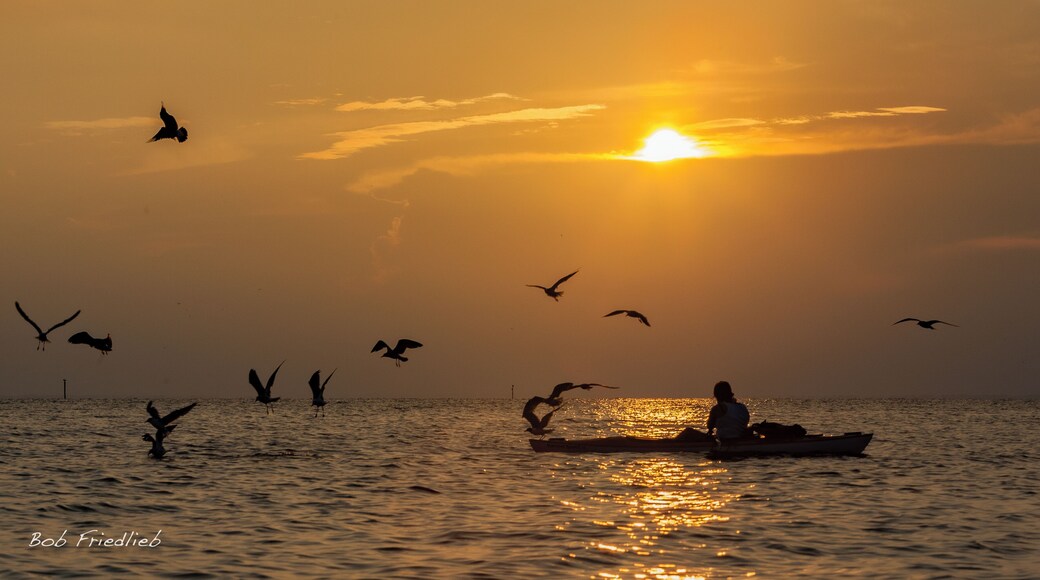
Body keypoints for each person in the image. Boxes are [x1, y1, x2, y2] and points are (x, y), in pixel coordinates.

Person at [676, 380, 751, 441]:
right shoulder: (742, 407)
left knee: (688, 431)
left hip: (724, 440)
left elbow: (710, 426)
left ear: (717, 396)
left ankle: (672, 445)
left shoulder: (718, 408)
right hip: (740, 438)